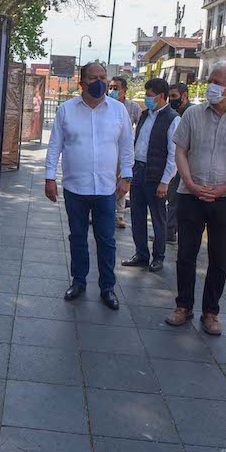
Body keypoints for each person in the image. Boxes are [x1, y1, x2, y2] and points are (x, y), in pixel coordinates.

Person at [165, 60, 226, 335]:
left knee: (219, 258)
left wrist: (225, 187)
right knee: (186, 253)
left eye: (217, 82)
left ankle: (211, 312)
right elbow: (181, 151)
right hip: (190, 195)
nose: (211, 87)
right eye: (210, 81)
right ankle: (183, 306)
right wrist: (190, 183)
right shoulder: (193, 115)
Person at [44, 63, 133, 311]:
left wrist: (127, 176)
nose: (99, 82)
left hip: (106, 189)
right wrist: (49, 178)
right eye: (93, 78)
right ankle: (79, 281)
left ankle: (107, 287)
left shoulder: (118, 110)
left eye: (103, 77)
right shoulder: (66, 110)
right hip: (75, 187)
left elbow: (127, 145)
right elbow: (55, 145)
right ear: (81, 82)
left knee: (107, 239)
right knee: (77, 237)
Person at [122, 78, 180, 273]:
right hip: (138, 170)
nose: (146, 99)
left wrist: (165, 181)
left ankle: (158, 256)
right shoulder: (145, 115)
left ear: (161, 96)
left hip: (156, 175)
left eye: (149, 95)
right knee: (137, 216)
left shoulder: (172, 119)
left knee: (157, 218)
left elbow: (173, 154)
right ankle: (141, 254)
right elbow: (136, 142)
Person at [108, 76, 141, 229]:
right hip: (107, 150)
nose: (112, 91)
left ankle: (119, 214)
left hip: (124, 151)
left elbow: (141, 127)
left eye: (116, 88)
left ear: (124, 90)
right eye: (110, 88)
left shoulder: (133, 107)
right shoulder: (104, 105)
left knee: (122, 182)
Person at [165, 82, 191, 244]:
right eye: (170, 96)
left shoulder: (191, 114)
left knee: (175, 199)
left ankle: (170, 231)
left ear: (185, 96)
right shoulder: (174, 113)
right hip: (176, 163)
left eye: (174, 96)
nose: (171, 100)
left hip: (186, 165)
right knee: (172, 197)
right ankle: (170, 230)